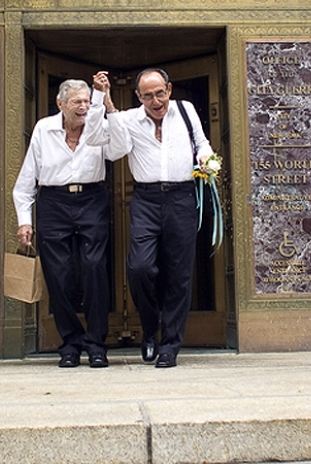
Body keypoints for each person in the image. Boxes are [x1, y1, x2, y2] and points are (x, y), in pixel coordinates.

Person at [86, 68, 213, 368]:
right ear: (138, 96)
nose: (155, 100)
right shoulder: (128, 118)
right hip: (145, 198)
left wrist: (206, 158)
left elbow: (201, 141)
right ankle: (149, 330)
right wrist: (101, 101)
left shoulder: (186, 110)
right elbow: (96, 140)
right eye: (147, 95)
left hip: (182, 197)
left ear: (169, 89)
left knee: (179, 274)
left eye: (159, 93)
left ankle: (170, 344)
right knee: (141, 267)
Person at [13, 78, 119, 368]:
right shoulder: (43, 129)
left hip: (92, 199)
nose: (83, 106)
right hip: (54, 202)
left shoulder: (98, 125)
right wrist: (24, 220)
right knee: (58, 276)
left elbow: (119, 149)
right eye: (77, 102)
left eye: (86, 100)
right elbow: (26, 181)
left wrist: (106, 104)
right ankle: (70, 344)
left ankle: (97, 344)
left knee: (94, 269)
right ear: (61, 104)